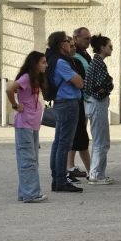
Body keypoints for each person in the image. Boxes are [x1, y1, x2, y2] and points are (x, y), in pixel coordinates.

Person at [7, 51, 48, 202]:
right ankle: (31, 194)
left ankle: (24, 192)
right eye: (43, 62)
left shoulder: (36, 78)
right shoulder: (25, 78)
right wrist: (15, 105)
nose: (46, 65)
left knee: (32, 159)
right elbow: (9, 89)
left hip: (33, 126)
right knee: (28, 160)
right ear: (35, 64)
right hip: (24, 125)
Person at [46, 31, 84, 192]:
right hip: (67, 104)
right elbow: (79, 82)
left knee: (59, 142)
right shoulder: (61, 62)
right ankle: (60, 180)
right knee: (64, 144)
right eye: (68, 42)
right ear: (62, 45)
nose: (70, 44)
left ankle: (57, 178)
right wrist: (78, 78)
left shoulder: (54, 59)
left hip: (62, 103)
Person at [83, 34, 115, 185]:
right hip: (97, 103)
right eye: (109, 46)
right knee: (101, 141)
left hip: (94, 103)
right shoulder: (98, 64)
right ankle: (96, 174)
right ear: (102, 47)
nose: (111, 49)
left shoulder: (96, 62)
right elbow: (102, 85)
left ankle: (98, 173)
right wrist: (108, 86)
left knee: (100, 140)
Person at [66, 28, 92, 182]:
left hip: (83, 98)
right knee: (78, 135)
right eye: (86, 38)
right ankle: (71, 167)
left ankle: (70, 166)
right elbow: (80, 79)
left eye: (89, 38)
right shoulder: (74, 57)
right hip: (79, 99)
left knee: (77, 135)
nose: (89, 41)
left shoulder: (83, 54)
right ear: (76, 38)